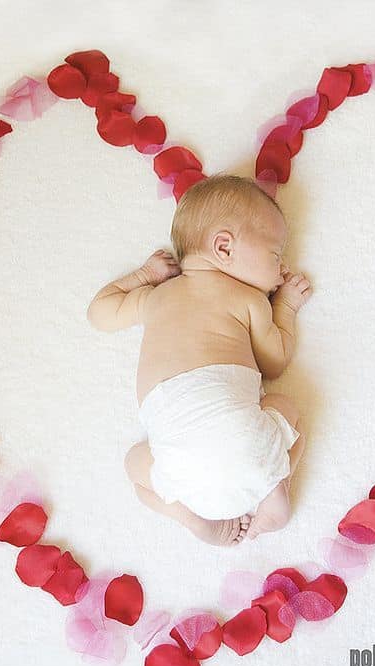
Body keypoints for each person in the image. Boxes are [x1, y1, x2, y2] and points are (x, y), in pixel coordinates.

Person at [88, 173, 312, 546]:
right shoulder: (250, 301)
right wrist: (285, 306)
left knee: (134, 465)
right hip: (244, 440)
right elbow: (275, 363)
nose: (281, 269)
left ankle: (188, 516)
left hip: (178, 461)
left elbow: (99, 313)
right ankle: (275, 487)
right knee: (286, 410)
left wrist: (144, 275)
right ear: (224, 248)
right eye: (275, 255)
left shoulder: (158, 296)